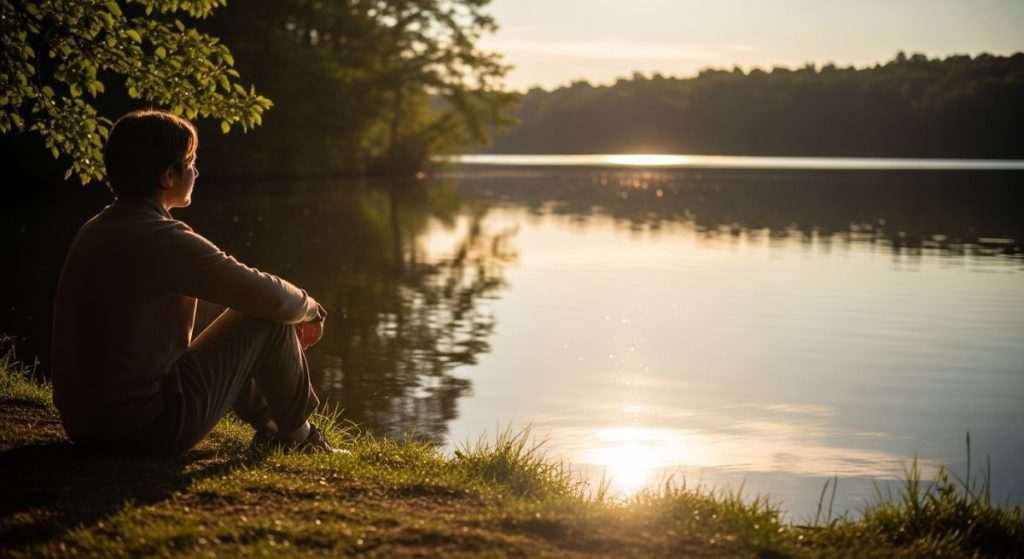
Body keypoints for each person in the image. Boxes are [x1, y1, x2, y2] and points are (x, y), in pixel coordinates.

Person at [51, 109, 340, 456]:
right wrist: (310, 309)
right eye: (189, 162)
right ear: (167, 177)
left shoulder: (99, 227)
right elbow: (272, 299)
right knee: (265, 315)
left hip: (86, 426)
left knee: (222, 307)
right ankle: (300, 437)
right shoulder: (160, 238)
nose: (196, 170)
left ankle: (272, 425)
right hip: (142, 432)